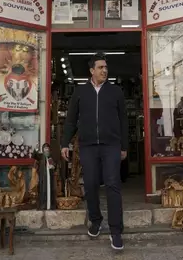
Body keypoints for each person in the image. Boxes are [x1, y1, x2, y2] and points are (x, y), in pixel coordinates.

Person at [61, 52, 128, 251]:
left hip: (111, 146)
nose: (104, 71)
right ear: (92, 70)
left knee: (112, 185)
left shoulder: (116, 92)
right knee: (90, 185)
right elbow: (71, 120)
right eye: (100, 67)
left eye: (106, 67)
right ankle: (96, 220)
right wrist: (65, 143)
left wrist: (124, 146)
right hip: (88, 145)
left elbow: (124, 120)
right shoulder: (80, 92)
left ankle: (116, 231)